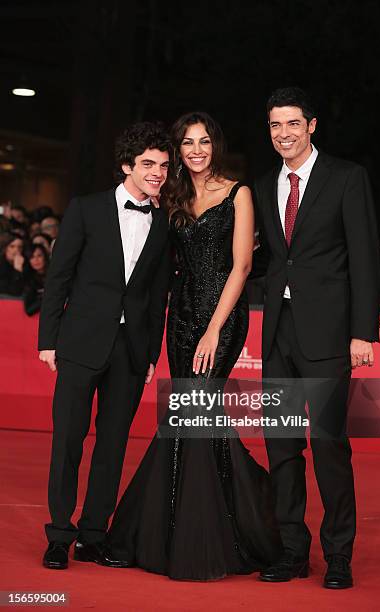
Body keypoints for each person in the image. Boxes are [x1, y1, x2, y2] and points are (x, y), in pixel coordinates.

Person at [106, 112, 282, 581]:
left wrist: (213, 329)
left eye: (204, 142)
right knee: (191, 418)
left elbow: (242, 267)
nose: (197, 150)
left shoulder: (238, 193)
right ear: (179, 151)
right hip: (180, 316)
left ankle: (207, 536)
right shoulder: (173, 195)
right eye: (188, 143)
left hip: (221, 318)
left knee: (199, 408)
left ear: (215, 146)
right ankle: (193, 526)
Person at [252, 87, 380, 589]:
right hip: (278, 334)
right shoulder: (264, 186)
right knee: (281, 447)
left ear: (311, 125)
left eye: (291, 124)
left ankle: (339, 554)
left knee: (329, 446)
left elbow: (365, 258)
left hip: (328, 337)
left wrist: (362, 333)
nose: (282, 134)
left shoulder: (346, 178)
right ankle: (291, 550)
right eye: (274, 126)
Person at [38, 121, 171, 570]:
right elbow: (59, 277)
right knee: (68, 442)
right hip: (79, 343)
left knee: (112, 446)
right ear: (126, 165)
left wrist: (152, 353)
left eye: (164, 166)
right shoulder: (86, 209)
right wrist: (48, 340)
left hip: (130, 350)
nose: (157, 173)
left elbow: (157, 296)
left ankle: (94, 535)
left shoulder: (163, 222)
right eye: (149, 164)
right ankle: (59, 534)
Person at [23, 243, 49, 315]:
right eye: (32, 257)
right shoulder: (29, 279)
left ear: (45, 256)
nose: (36, 260)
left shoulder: (56, 274)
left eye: (39, 256)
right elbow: (29, 310)